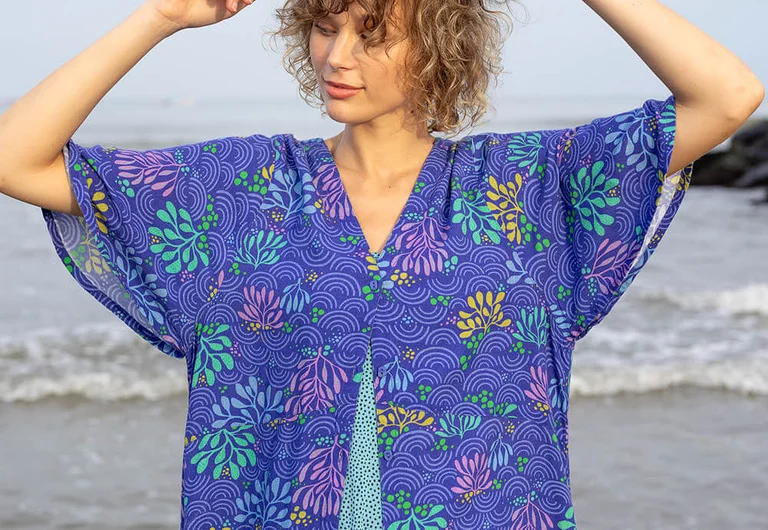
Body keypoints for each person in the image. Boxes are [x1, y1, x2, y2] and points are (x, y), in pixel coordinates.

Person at [0, 0, 762, 529]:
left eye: (374, 35)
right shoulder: (240, 191)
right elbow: (15, 157)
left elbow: (728, 95)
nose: (337, 56)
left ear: (441, 45)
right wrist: (159, 19)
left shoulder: (529, 185)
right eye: (324, 29)